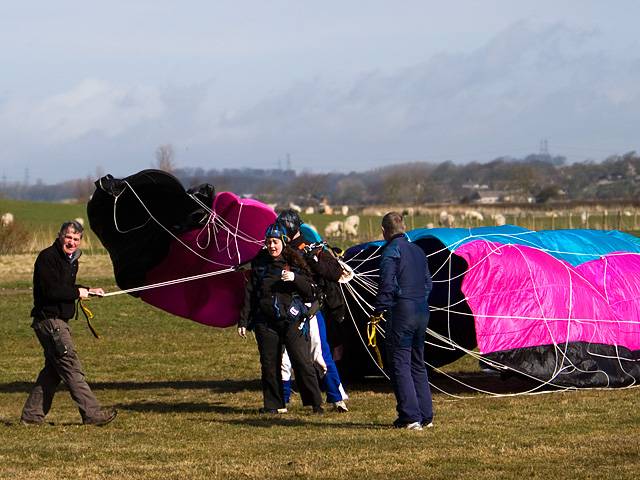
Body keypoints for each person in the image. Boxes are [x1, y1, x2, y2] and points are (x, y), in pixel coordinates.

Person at [21, 220, 117, 426]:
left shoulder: (71, 260)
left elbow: (67, 287)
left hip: (58, 321)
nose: (72, 242)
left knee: (53, 372)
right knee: (72, 368)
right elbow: (51, 291)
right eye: (68, 237)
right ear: (60, 236)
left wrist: (89, 290)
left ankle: (31, 416)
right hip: (49, 322)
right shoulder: (48, 257)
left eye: (76, 239)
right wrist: (76, 292)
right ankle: (92, 414)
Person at [238, 223, 324, 414]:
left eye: (275, 242)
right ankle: (273, 405)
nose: (271, 246)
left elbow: (311, 292)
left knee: (301, 361)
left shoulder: (294, 262)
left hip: (292, 321)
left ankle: (315, 403)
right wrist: (243, 320)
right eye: (268, 243)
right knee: (269, 364)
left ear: (283, 243)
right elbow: (250, 293)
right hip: (266, 322)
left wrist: (295, 278)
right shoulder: (260, 264)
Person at [276, 209, 349, 412]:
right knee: (284, 357)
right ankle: (282, 399)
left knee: (319, 355)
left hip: (310, 309)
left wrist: (314, 260)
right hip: (286, 309)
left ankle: (336, 397)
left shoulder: (311, 249)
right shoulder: (278, 249)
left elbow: (334, 272)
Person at [373, 211, 433, 431]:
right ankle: (426, 415)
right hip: (421, 311)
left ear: (383, 231)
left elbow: (386, 285)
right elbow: (428, 284)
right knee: (418, 362)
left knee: (400, 363)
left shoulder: (391, 252)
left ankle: (409, 416)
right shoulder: (418, 250)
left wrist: (378, 309)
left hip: (402, 312)